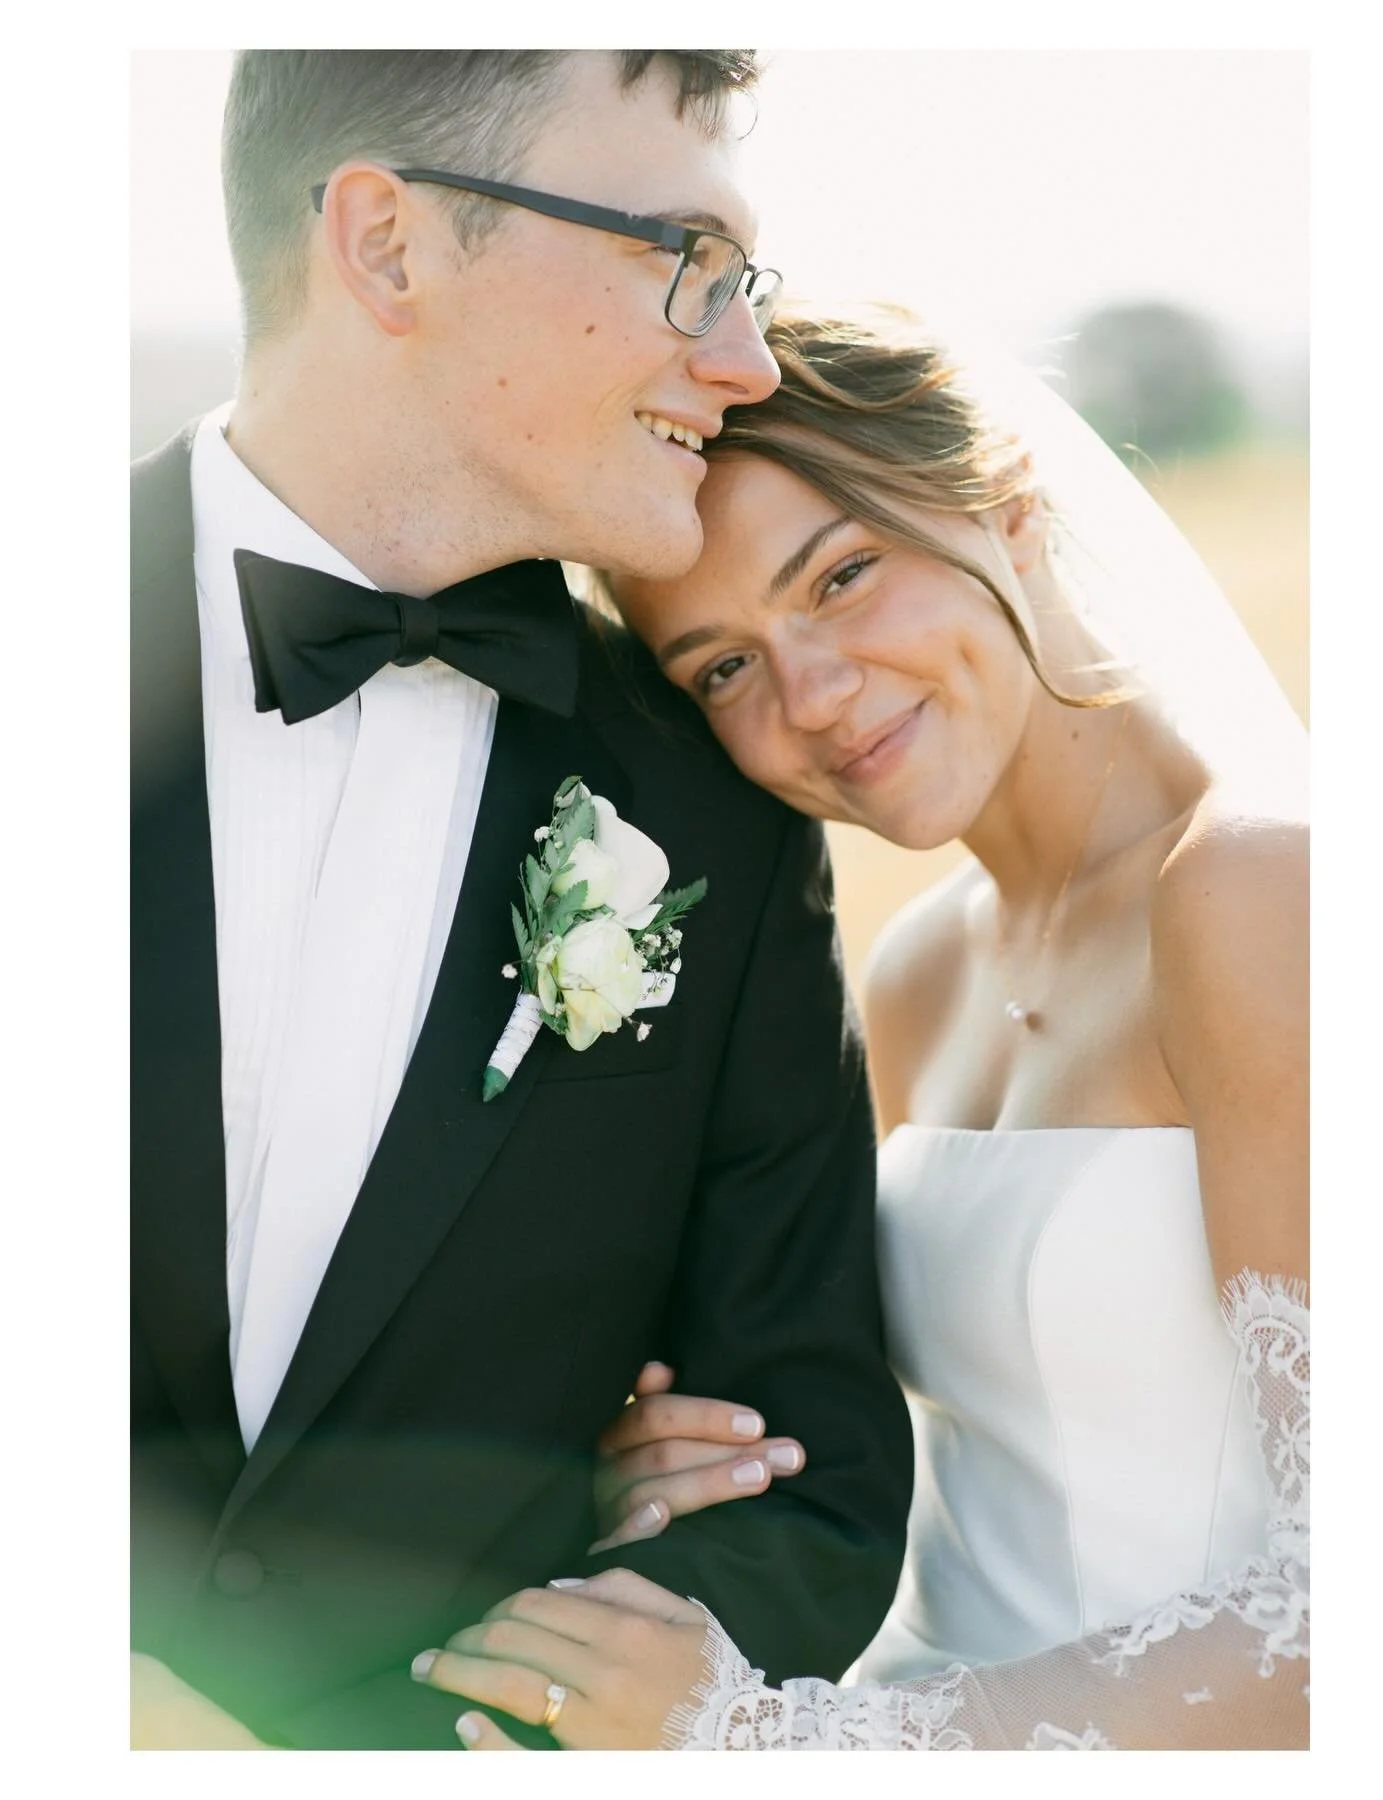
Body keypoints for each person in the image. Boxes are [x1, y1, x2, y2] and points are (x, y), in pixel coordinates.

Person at [130, 57, 915, 1750]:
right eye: (680, 259)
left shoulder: (713, 802)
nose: (746, 358)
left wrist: (589, 1674)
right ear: (390, 247)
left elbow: (810, 1475)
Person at [412, 308, 1310, 1749]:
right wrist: (688, 1460)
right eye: (721, 668)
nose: (811, 698)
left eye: (840, 576)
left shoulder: (1263, 894)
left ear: (1007, 510)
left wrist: (772, 1747)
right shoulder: (914, 974)